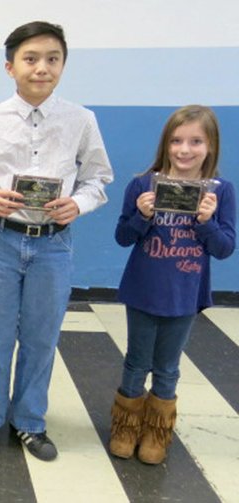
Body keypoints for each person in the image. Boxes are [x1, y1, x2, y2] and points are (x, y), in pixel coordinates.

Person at [0, 21, 113, 461]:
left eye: (52, 59)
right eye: (31, 59)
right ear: (10, 67)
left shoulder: (81, 121)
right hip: (3, 241)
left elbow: (98, 177)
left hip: (53, 244)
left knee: (41, 337)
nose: (41, 68)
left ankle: (30, 422)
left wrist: (79, 204)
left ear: (63, 65)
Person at [109, 105, 235, 464]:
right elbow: (122, 236)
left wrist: (207, 222)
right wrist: (142, 215)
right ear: (166, 144)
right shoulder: (143, 184)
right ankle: (125, 425)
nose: (185, 149)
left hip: (185, 295)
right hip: (143, 290)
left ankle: (157, 430)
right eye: (177, 141)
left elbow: (224, 248)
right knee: (135, 362)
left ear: (210, 147)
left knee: (168, 366)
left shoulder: (221, 192)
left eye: (196, 141)